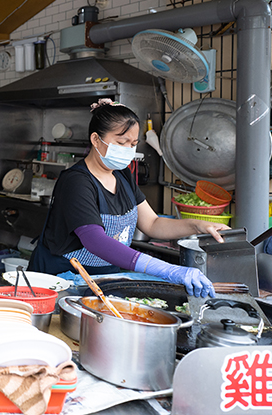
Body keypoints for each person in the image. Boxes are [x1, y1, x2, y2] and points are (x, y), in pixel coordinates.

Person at [29, 99, 228, 298]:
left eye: (133, 144)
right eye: (121, 142)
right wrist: (169, 270)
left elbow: (152, 224)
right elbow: (95, 241)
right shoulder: (77, 182)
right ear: (96, 139)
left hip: (106, 281)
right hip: (63, 283)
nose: (127, 150)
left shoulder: (122, 175)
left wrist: (198, 226)